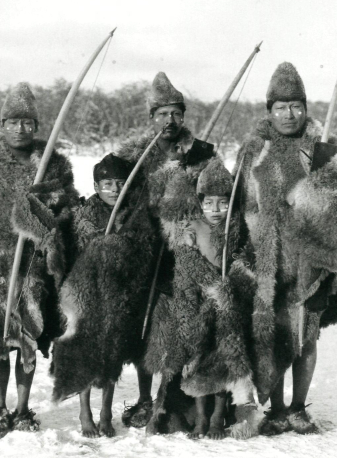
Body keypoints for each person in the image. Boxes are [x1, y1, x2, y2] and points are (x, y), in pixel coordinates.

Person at [234, 62, 337, 435]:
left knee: (305, 338)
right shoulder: (254, 151)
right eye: (281, 106)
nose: (289, 114)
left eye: (296, 106)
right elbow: (238, 206)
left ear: (305, 108)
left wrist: (320, 181)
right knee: (273, 337)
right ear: (269, 110)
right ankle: (275, 409)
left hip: (311, 262)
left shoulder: (325, 150)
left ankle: (298, 407)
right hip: (268, 261)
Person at [0, 82, 79, 438]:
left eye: (28, 123)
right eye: (13, 122)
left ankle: (23, 408)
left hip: (34, 264)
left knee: (28, 333)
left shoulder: (53, 163)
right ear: (2, 123)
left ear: (37, 127)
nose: (20, 129)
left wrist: (41, 212)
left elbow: (67, 208)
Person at [113, 72, 216, 430]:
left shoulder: (201, 153)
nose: (169, 121)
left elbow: (217, 194)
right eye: (162, 114)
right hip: (145, 250)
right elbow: (114, 195)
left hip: (184, 250)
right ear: (151, 117)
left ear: (183, 117)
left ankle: (169, 396)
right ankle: (144, 397)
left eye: (176, 114)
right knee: (145, 327)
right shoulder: (132, 156)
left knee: (178, 323)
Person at [141, 158, 255, 439]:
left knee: (222, 355)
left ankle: (218, 416)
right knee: (193, 354)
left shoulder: (237, 225)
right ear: (199, 201)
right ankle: (198, 417)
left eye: (223, 203)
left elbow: (244, 259)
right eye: (209, 203)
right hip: (194, 299)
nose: (216, 210)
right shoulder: (188, 226)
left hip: (226, 303)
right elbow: (186, 259)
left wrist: (233, 280)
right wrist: (213, 285)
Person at [49, 153, 154, 438]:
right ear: (96, 186)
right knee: (85, 353)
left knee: (113, 353)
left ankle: (106, 412)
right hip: (85, 296)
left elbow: (143, 253)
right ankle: (85, 413)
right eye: (107, 183)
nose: (114, 189)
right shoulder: (82, 216)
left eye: (120, 183)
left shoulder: (135, 217)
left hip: (119, 297)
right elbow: (67, 252)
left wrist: (117, 248)